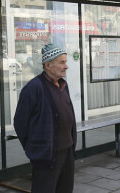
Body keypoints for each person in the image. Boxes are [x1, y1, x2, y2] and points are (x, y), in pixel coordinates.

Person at [14, 43, 76, 193]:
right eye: (62, 62)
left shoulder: (63, 85)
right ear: (48, 65)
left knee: (65, 189)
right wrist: (35, 149)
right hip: (47, 156)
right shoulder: (34, 88)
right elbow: (20, 124)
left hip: (67, 151)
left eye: (66, 62)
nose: (66, 66)